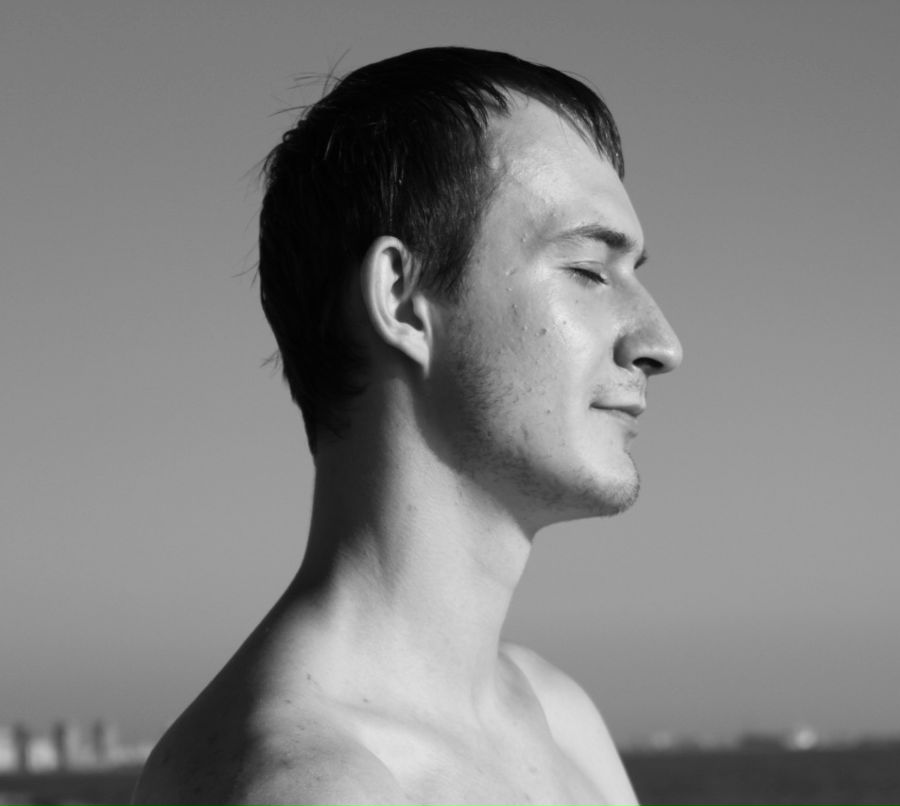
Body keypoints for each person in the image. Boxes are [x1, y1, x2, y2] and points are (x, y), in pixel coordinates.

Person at [131, 46, 682, 805]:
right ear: (401, 299)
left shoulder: (560, 718)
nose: (661, 343)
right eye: (589, 271)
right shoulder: (314, 785)